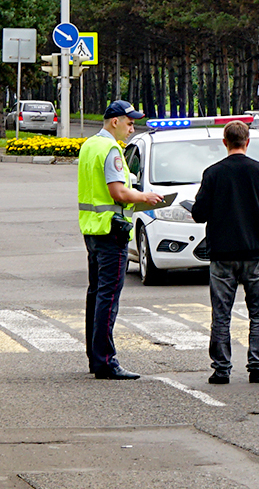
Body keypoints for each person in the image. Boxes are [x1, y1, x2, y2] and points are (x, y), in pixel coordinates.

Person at [77, 100, 168, 380]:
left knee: (96, 294)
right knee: (108, 296)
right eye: (129, 123)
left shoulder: (90, 145)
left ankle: (95, 358)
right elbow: (118, 192)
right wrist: (145, 197)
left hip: (92, 229)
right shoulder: (111, 150)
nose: (132, 128)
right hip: (111, 231)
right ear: (114, 121)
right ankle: (106, 361)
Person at [191, 119, 259, 384]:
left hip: (222, 253)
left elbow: (199, 214)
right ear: (247, 142)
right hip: (255, 252)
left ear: (224, 142)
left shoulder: (213, 173)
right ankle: (257, 366)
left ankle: (221, 369)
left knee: (221, 312)